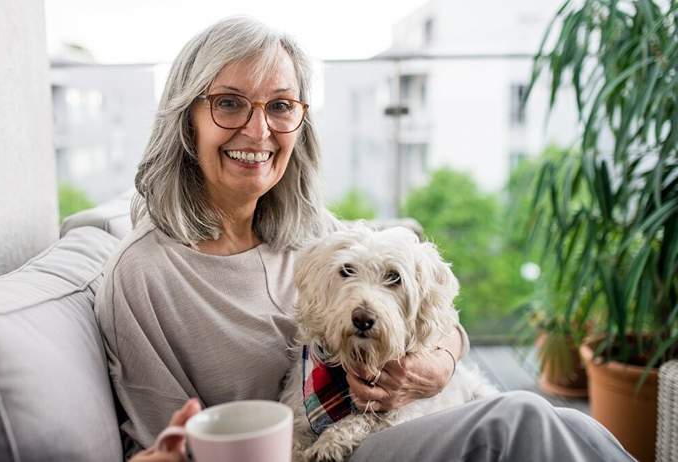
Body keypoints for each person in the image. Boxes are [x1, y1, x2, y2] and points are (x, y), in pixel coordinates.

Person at [94, 16, 633, 462]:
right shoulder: (143, 276)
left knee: (566, 425)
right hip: (312, 451)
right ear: (186, 119)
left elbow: (439, 322)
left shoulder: (315, 231)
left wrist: (436, 365)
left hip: (384, 431)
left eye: (281, 105)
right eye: (230, 103)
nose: (259, 131)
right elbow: (163, 442)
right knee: (520, 419)